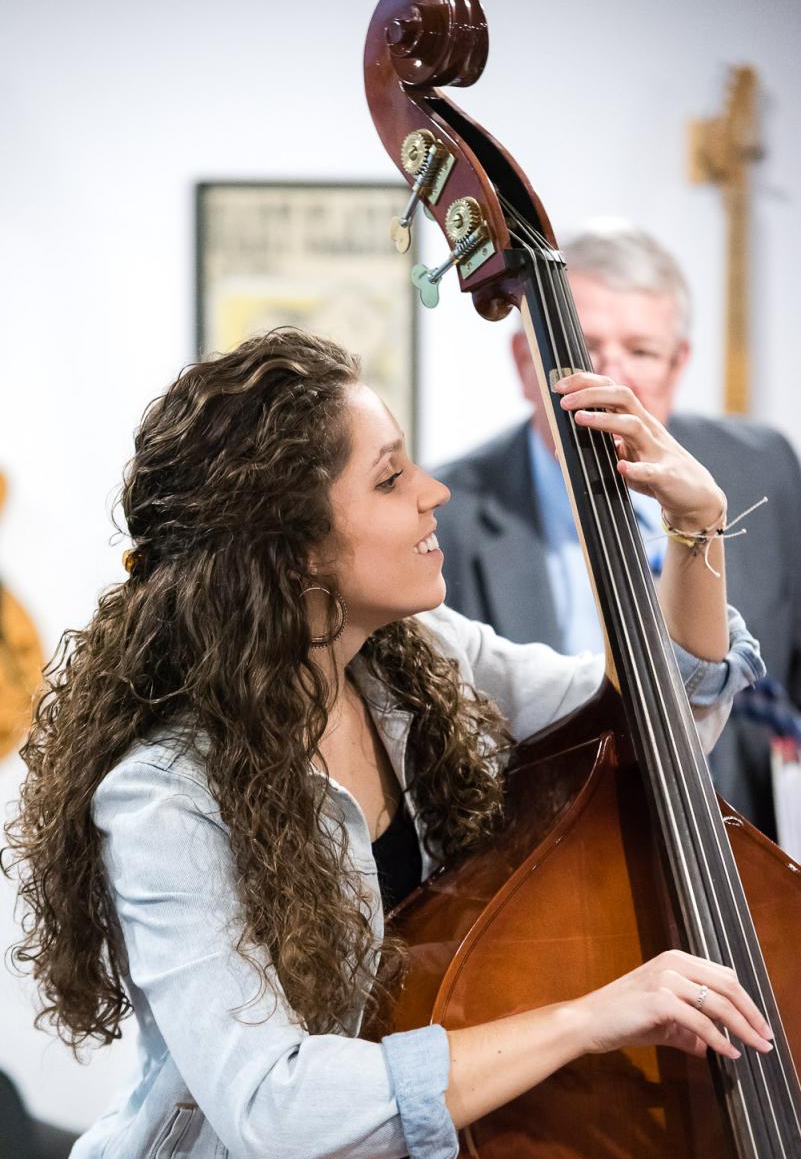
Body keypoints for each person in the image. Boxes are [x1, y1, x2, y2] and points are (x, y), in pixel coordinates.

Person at [3, 329, 771, 1159]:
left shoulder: (422, 657)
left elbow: (661, 726)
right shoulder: (166, 798)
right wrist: (585, 1019)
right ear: (291, 551)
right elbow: (276, 1110)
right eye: (391, 476)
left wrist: (696, 529)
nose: (434, 492)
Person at [435, 223, 801, 839]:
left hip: (738, 862)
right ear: (527, 363)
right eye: (586, 351)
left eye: (642, 351)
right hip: (541, 856)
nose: (612, 380)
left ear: (679, 362)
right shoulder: (447, 511)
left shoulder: (763, 466)